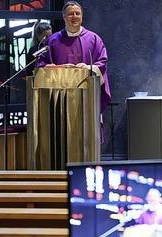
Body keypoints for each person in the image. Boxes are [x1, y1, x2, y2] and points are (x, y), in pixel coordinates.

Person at [38, 1, 111, 140]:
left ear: (82, 16)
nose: (74, 16)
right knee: (62, 136)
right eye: (70, 14)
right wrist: (50, 68)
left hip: (87, 96)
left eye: (77, 13)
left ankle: (90, 161)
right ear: (64, 16)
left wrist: (89, 68)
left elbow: (102, 62)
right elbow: (41, 63)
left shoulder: (94, 39)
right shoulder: (53, 41)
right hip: (60, 98)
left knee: (86, 136)